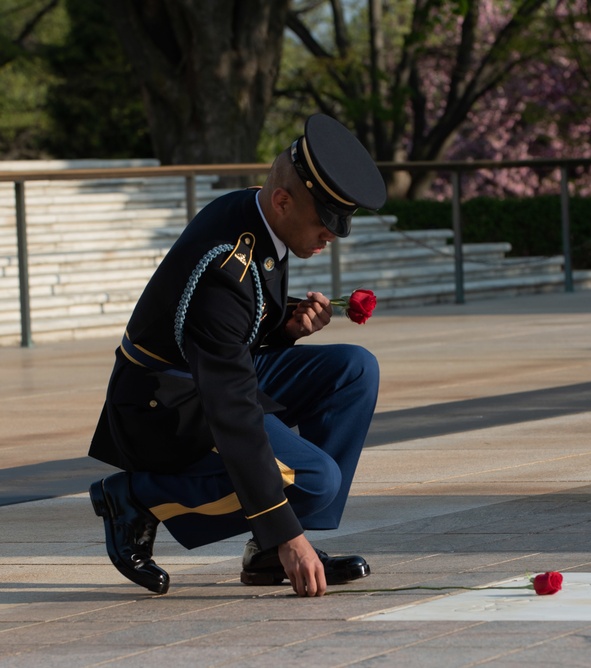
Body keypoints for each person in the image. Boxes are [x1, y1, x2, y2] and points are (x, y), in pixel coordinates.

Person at [87, 114, 386, 598]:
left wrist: (285, 327)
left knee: (352, 370)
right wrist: (285, 531)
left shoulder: (259, 217)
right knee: (315, 478)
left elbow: (230, 336)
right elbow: (231, 407)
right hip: (162, 406)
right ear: (284, 199)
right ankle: (135, 499)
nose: (331, 236)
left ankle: (268, 553)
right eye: (324, 223)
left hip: (203, 376)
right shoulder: (226, 262)